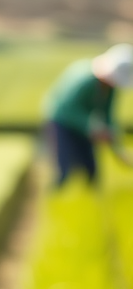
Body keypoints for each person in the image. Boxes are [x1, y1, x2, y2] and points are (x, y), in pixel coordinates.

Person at [43, 42, 133, 185]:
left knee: (91, 169)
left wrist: (118, 149)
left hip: (83, 125)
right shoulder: (85, 80)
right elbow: (67, 109)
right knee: (64, 168)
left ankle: (89, 196)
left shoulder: (110, 88)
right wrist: (93, 127)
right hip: (61, 121)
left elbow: (108, 116)